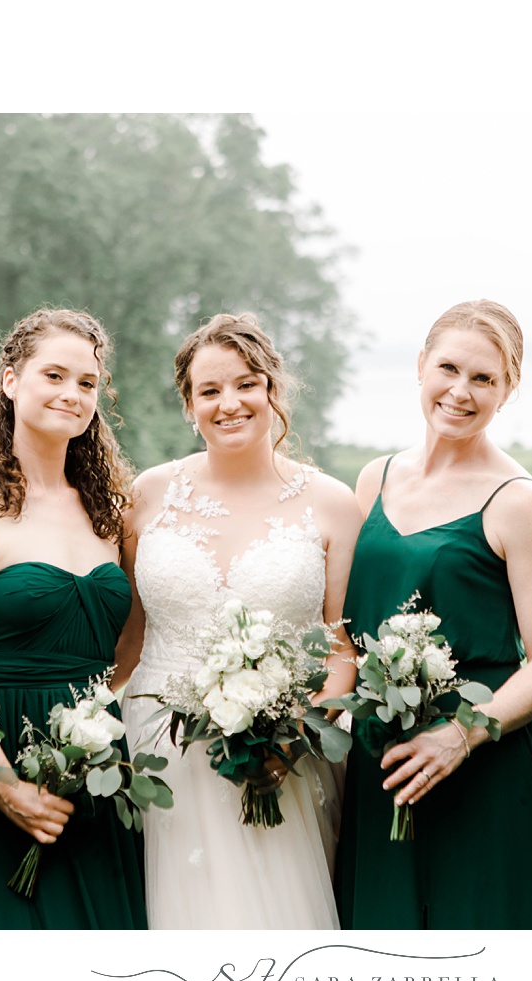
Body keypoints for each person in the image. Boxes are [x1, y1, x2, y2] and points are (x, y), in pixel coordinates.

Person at [112, 312, 361, 930]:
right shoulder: (148, 494)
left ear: (273, 389)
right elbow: (128, 637)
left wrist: (292, 733)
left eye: (247, 383)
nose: (230, 403)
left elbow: (342, 649)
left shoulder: (331, 502)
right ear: (188, 404)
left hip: (285, 752)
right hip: (158, 745)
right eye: (210, 390)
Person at [333, 300, 532, 930]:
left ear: (508, 389)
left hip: (483, 765)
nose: (460, 392)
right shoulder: (373, 480)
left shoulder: (518, 501)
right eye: (449, 368)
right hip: (379, 761)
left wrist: (463, 733)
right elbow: (345, 637)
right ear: (420, 367)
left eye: (484, 379)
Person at [0, 307, 145, 929]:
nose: (72, 394)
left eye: (87, 383)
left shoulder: (112, 514)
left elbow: (128, 647)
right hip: (3, 761)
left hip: (97, 765)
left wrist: (92, 727)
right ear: (11, 381)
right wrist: (1, 782)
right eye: (54, 375)